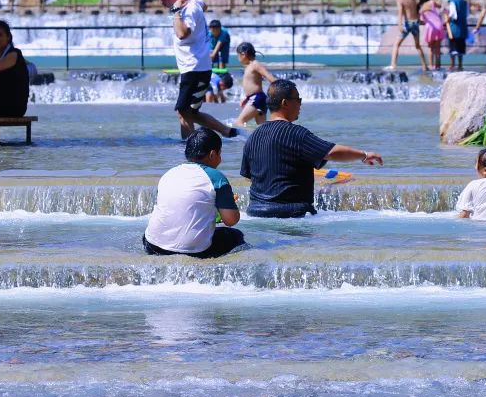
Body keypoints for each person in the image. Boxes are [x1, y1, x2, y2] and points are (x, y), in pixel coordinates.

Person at [240, 79, 382, 218]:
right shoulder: (295, 133)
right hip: (292, 213)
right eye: (298, 99)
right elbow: (331, 152)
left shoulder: (253, 136)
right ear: (285, 103)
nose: (300, 104)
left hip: (255, 212)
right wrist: (363, 155)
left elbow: (249, 176)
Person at [155, 0, 238, 140]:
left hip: (193, 68)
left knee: (182, 111)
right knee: (192, 112)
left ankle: (189, 147)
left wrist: (176, 12)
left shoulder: (189, 9)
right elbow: (204, 5)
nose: (160, 1)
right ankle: (229, 132)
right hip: (201, 67)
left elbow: (182, 34)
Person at [143, 129, 244, 259]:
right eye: (220, 153)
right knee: (235, 236)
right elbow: (231, 220)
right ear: (213, 154)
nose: (221, 159)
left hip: (152, 244)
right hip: (193, 251)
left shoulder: (169, 173)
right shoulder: (216, 177)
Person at [234, 42, 277, 126]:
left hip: (257, 98)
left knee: (239, 122)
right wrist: (246, 98)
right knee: (262, 128)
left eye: (238, 55)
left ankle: (246, 138)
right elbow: (250, 84)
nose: (237, 57)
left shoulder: (255, 64)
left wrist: (282, 89)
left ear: (244, 54)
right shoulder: (249, 66)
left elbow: (269, 76)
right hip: (256, 98)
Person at [386, 0, 427, 71]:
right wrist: (419, 20)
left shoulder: (400, 0)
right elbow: (416, 9)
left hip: (408, 24)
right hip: (416, 23)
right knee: (418, 46)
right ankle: (425, 66)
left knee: (396, 44)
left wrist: (399, 25)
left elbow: (400, 13)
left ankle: (393, 65)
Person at [418, 0, 446, 70]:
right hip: (438, 25)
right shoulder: (432, 3)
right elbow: (441, 6)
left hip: (430, 27)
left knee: (431, 49)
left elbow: (422, 21)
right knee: (438, 48)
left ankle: (431, 66)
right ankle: (438, 66)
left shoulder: (421, 8)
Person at [446, 0, 469, 72]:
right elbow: (466, 14)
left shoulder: (453, 2)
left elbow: (453, 14)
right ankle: (460, 65)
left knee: (453, 47)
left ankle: (452, 65)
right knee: (461, 48)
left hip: (454, 28)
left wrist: (447, 18)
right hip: (463, 28)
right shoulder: (464, 1)